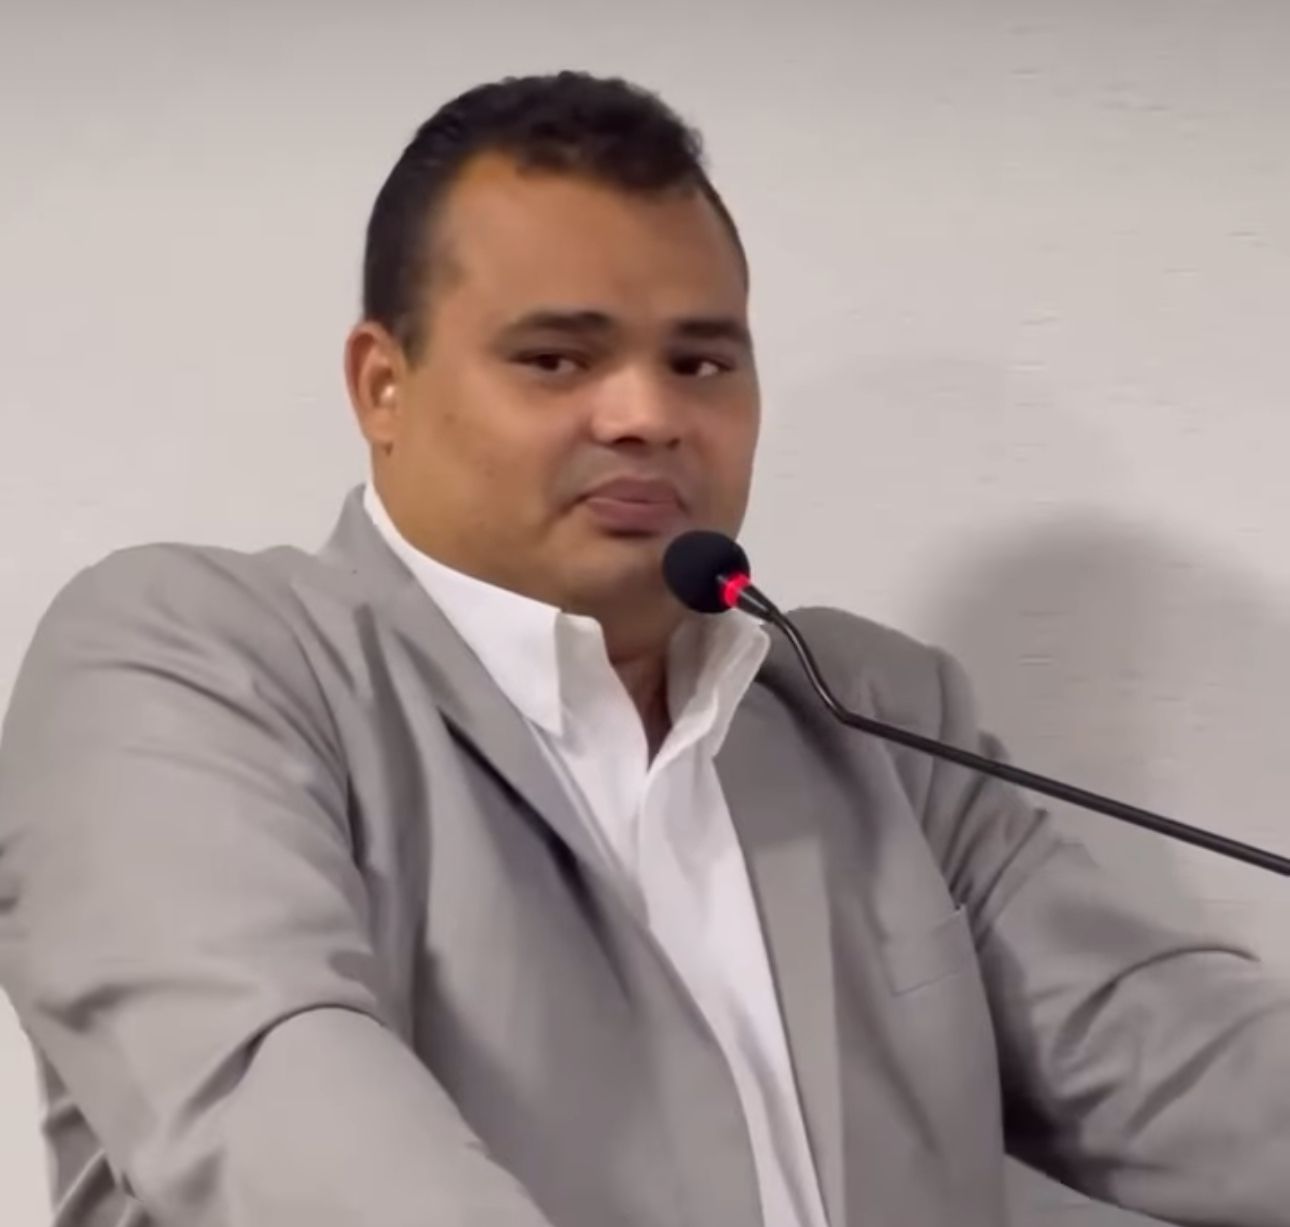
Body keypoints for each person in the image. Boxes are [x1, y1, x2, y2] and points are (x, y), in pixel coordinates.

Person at [1, 71, 1288, 1227]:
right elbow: (282, 1116)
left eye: (702, 362)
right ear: (382, 385)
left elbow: (1178, 1063)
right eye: (558, 358)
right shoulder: (191, 664)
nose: (647, 414)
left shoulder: (874, 713)